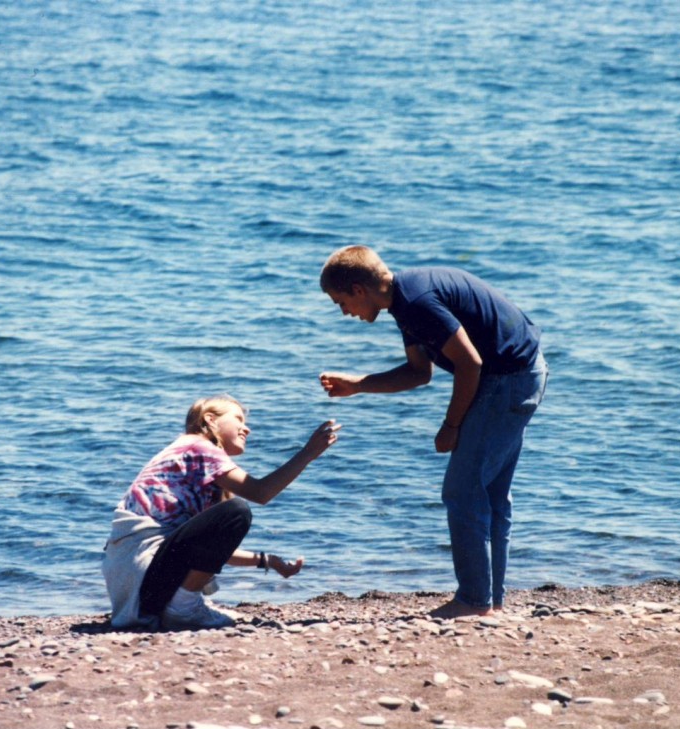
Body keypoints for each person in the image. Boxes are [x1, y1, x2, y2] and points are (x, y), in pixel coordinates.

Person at [318, 246, 548, 619]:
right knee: (489, 494)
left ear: (359, 289)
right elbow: (418, 372)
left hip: (508, 379)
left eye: (341, 302)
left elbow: (469, 364)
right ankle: (491, 601)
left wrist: (451, 426)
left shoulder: (416, 303)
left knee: (462, 489)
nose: (345, 312)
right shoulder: (405, 299)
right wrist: (358, 384)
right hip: (522, 372)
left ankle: (473, 601)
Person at [102, 394, 341, 631]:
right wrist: (307, 453)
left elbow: (208, 549)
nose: (246, 429)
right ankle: (183, 607)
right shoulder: (198, 445)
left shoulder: (187, 457)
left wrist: (269, 562)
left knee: (231, 513)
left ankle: (181, 604)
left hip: (137, 589)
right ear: (210, 420)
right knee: (236, 512)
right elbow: (261, 492)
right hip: (146, 576)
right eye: (238, 418)